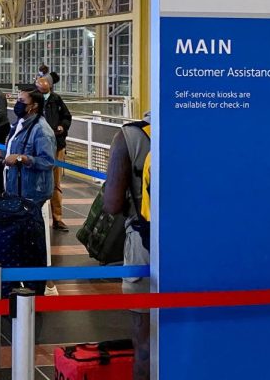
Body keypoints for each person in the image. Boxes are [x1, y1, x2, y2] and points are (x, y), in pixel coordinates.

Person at [103, 113, 151, 380]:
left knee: (144, 342)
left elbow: (112, 204)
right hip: (197, 248)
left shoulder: (129, 137)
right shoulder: (203, 129)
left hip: (143, 247)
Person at [1, 89, 56, 296]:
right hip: (17, 190)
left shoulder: (42, 130)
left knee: (33, 243)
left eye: (21, 101)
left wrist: (23, 159)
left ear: (33, 105)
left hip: (33, 193)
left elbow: (48, 162)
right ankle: (21, 282)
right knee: (20, 240)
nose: (17, 103)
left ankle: (38, 287)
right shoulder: (21, 125)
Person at [37, 72, 72, 232]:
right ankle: (36, 216)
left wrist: (62, 127)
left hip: (57, 145)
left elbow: (67, 117)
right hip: (39, 146)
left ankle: (57, 219)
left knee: (56, 183)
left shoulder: (56, 99)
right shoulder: (34, 99)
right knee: (38, 181)